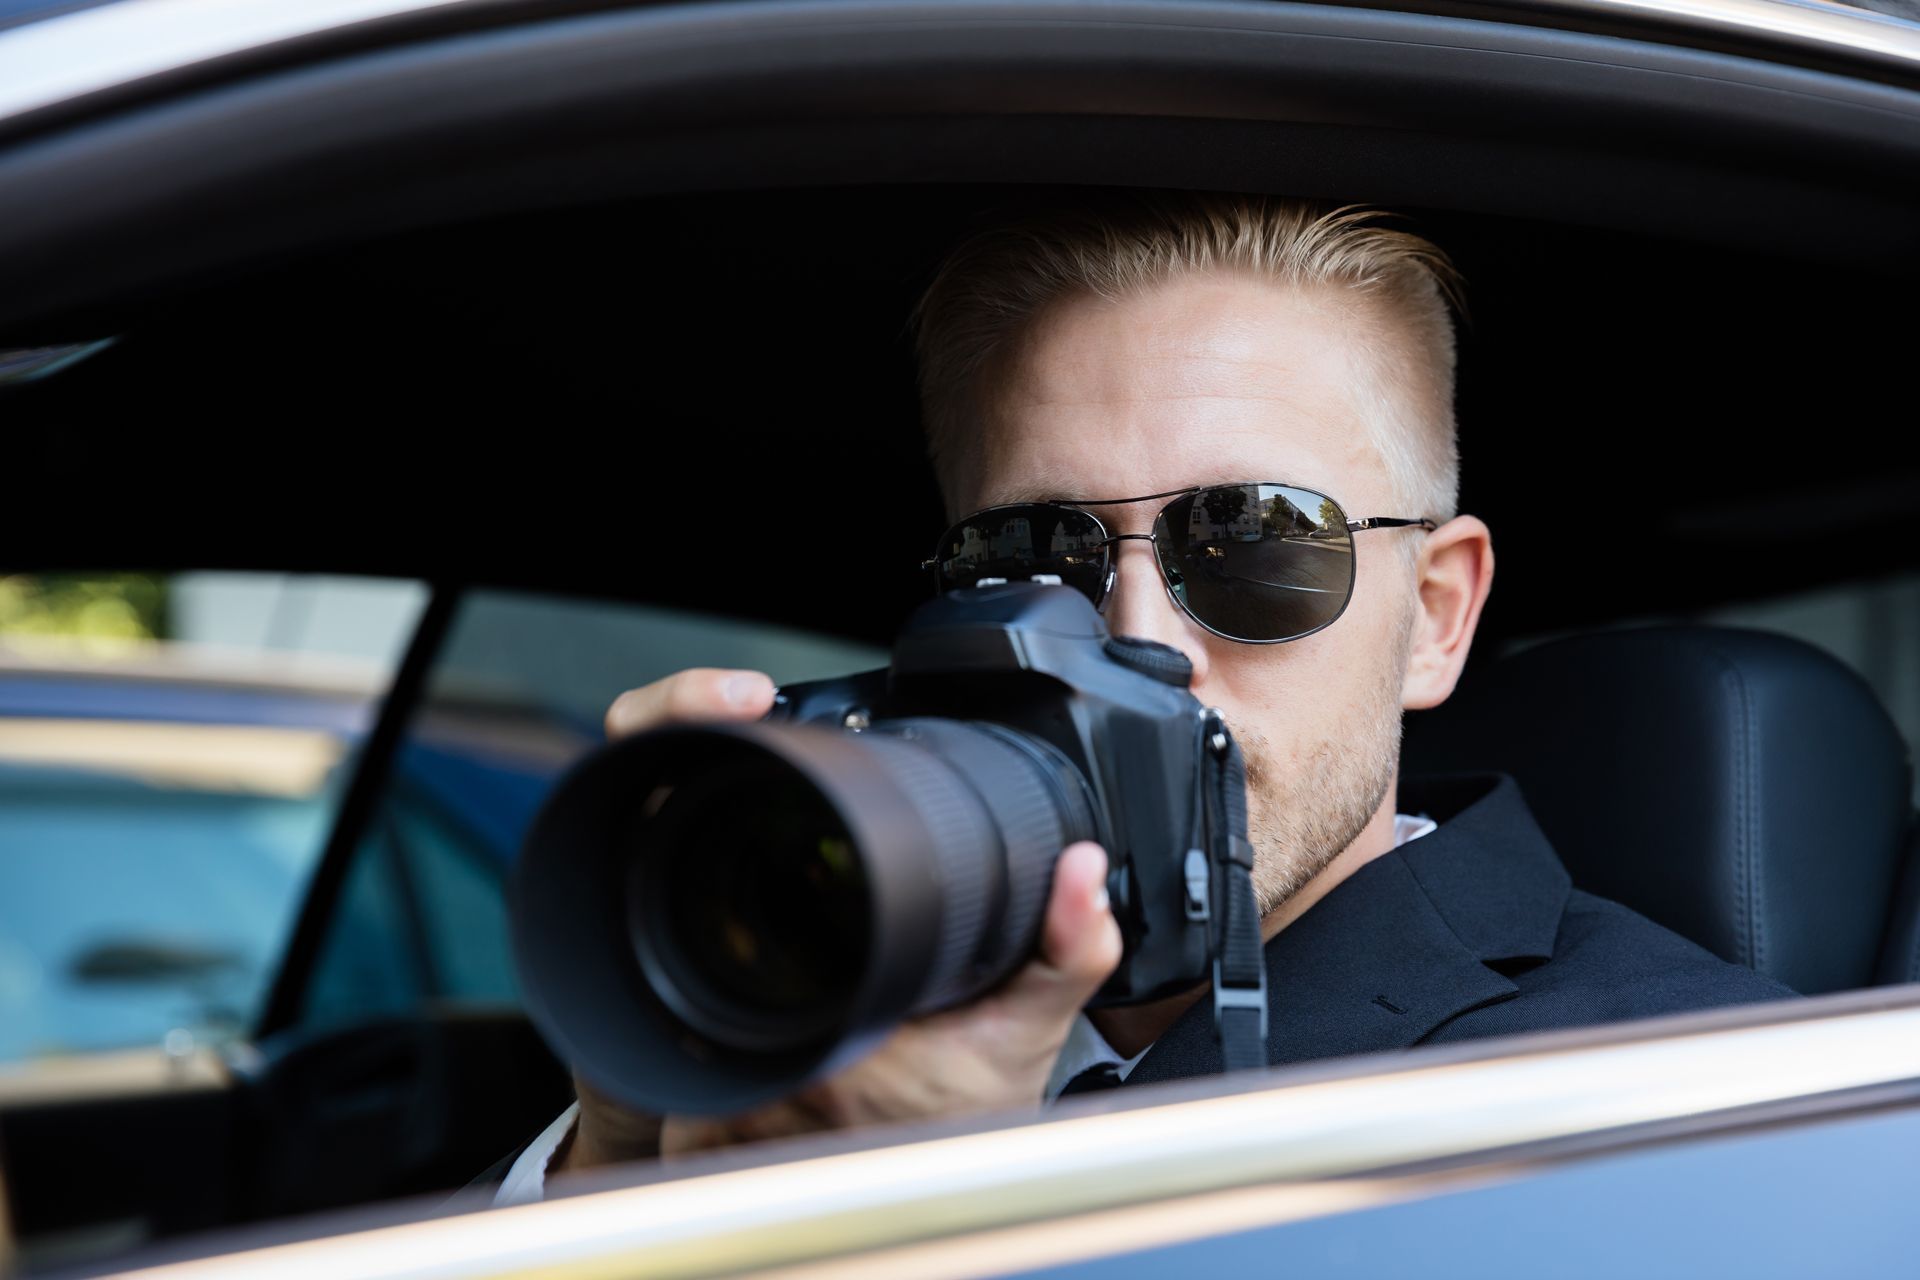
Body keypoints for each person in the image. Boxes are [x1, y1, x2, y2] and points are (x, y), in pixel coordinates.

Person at [483, 191, 1795, 1204]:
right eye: (1036, 559)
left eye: (1257, 548)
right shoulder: (818, 987)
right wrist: (623, 1141)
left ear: (1436, 617)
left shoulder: (1714, 1102)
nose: (1138, 637)